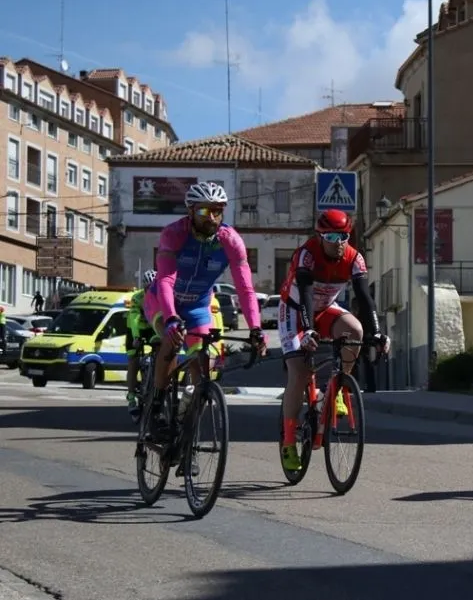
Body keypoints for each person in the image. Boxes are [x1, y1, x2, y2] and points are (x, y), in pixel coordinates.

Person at [142, 181, 267, 435]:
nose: (211, 217)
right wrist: (171, 318)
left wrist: (256, 328)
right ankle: (156, 407)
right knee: (171, 341)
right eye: (203, 211)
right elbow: (165, 280)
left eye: (217, 211)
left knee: (203, 367)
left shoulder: (231, 241)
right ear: (190, 211)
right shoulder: (174, 234)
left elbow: (245, 290)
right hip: (163, 301)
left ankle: (187, 430)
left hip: (198, 305)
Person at [277, 208, 389, 472]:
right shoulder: (306, 254)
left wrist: (377, 332)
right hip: (294, 310)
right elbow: (305, 294)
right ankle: (289, 441)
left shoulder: (355, 258)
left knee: (356, 331)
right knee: (299, 373)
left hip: (326, 308)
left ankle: (336, 389)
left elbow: (364, 297)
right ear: (319, 236)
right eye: (331, 236)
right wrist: (307, 331)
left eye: (343, 236)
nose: (338, 242)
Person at [124, 270, 160, 421]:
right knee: (133, 359)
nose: (150, 290)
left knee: (161, 350)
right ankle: (131, 396)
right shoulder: (137, 297)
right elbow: (134, 319)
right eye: (147, 288)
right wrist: (136, 337)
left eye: (153, 287)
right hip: (136, 328)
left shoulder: (160, 296)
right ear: (144, 287)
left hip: (152, 327)